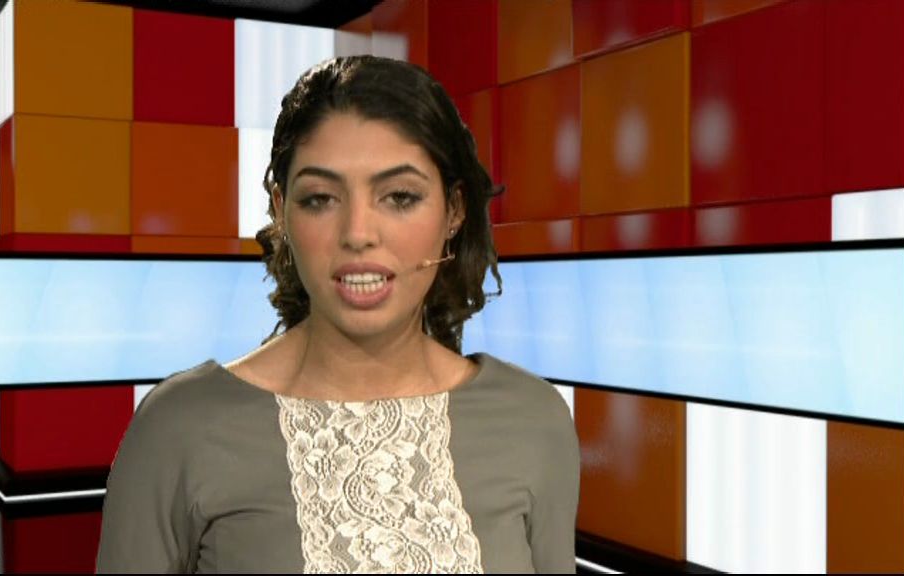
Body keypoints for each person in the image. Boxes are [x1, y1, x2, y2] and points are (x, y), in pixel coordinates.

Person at [96, 55, 579, 574]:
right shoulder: (178, 427)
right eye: (321, 199)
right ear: (280, 210)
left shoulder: (535, 418)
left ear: (454, 211)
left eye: (399, 197)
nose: (357, 233)